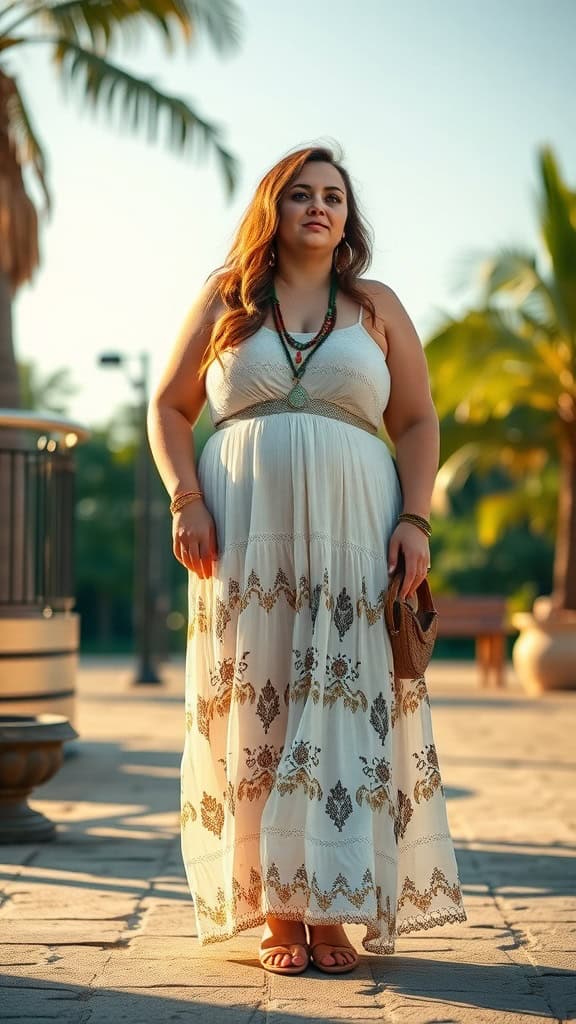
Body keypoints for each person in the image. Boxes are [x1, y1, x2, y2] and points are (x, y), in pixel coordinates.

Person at [147, 143, 467, 976]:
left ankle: (333, 905)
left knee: (341, 702)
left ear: (347, 217)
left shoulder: (376, 305)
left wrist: (417, 519)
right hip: (244, 538)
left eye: (333, 196)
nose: (318, 207)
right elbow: (170, 407)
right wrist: (186, 499)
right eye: (300, 194)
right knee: (262, 705)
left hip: (355, 533)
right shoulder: (227, 299)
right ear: (273, 209)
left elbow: (421, 422)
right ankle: (279, 910)